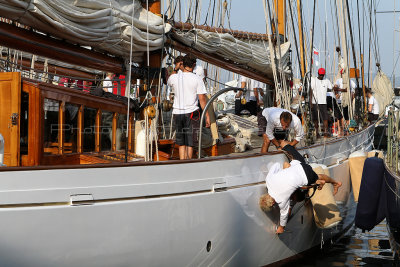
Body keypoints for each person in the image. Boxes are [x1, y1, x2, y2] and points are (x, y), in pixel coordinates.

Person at [261, 143, 342, 234]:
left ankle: (327, 183)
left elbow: (284, 215)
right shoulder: (268, 181)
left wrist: (281, 227)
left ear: (272, 204)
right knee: (285, 146)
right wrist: (283, 173)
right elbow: (276, 165)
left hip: (306, 176)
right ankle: (333, 183)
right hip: (298, 165)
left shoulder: (281, 201)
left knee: (318, 177)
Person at [168, 54, 210, 160]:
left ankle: (182, 163)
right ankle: (188, 164)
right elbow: (202, 100)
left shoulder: (174, 77)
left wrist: (176, 68)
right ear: (194, 65)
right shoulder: (197, 79)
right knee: (190, 143)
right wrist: (207, 116)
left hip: (177, 113)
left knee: (182, 142)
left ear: (182, 64)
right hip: (191, 114)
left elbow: (169, 80)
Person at [310, 68, 332, 137]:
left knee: (325, 118)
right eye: (320, 75)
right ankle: (316, 133)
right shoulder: (313, 80)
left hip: (323, 102)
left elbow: (331, 88)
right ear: (318, 73)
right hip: (315, 102)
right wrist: (310, 102)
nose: (321, 76)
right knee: (315, 118)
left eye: (322, 75)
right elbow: (310, 91)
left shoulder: (327, 81)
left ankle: (326, 132)